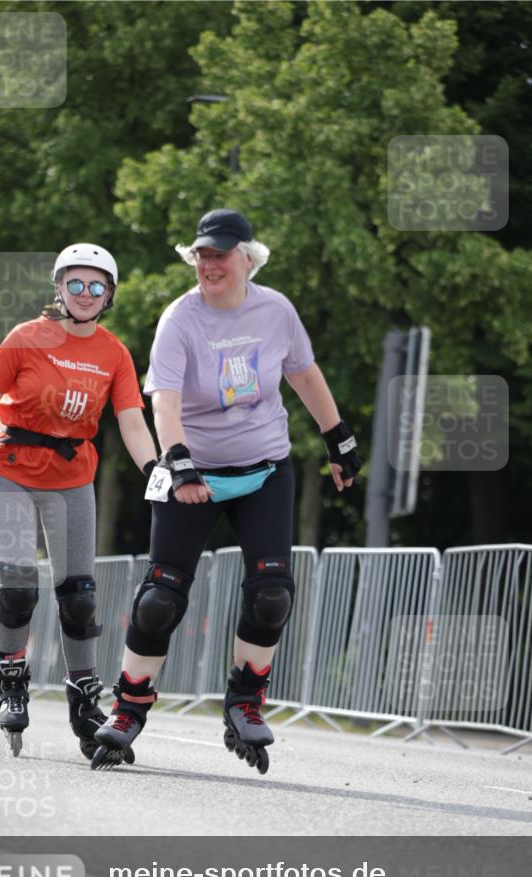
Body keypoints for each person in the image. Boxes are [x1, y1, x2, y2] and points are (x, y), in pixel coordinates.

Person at [90, 209, 361, 774]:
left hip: (264, 469)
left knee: (272, 593)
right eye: (202, 256)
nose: (210, 265)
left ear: (247, 259)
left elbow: (303, 374)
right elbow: (164, 399)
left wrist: (339, 439)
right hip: (193, 473)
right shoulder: (180, 319)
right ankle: (128, 709)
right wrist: (179, 461)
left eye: (220, 255)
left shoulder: (276, 310)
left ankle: (245, 701)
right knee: (161, 598)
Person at [0, 244, 158, 758]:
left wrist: (155, 471)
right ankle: (10, 678)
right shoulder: (26, 337)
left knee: (79, 594)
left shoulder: (114, 353)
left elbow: (132, 420)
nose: (86, 294)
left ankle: (84, 700)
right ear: (59, 288)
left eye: (97, 286)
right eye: (76, 284)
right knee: (19, 583)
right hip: (11, 471)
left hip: (72, 478)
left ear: (110, 295)